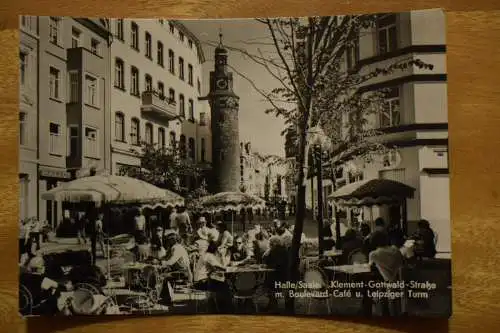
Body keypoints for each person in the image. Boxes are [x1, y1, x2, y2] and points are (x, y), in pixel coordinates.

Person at [368, 231, 404, 316]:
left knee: (378, 286)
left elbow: (369, 267)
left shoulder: (374, 254)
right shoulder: (396, 249)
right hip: (401, 280)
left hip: (389, 282)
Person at [192, 241, 230, 312]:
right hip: (201, 282)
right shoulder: (209, 256)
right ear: (216, 249)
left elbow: (215, 268)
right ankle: (223, 308)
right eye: (220, 248)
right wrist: (222, 257)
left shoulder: (206, 255)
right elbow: (219, 267)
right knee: (224, 285)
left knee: (221, 283)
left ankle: (216, 306)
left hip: (198, 281)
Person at [262, 236, 289, 312]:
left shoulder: (275, 251)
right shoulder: (284, 250)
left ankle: (273, 305)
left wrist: (267, 252)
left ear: (274, 244)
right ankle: (272, 304)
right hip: (283, 275)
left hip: (278, 276)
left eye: (270, 244)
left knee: (268, 281)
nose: (269, 245)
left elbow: (266, 260)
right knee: (269, 279)